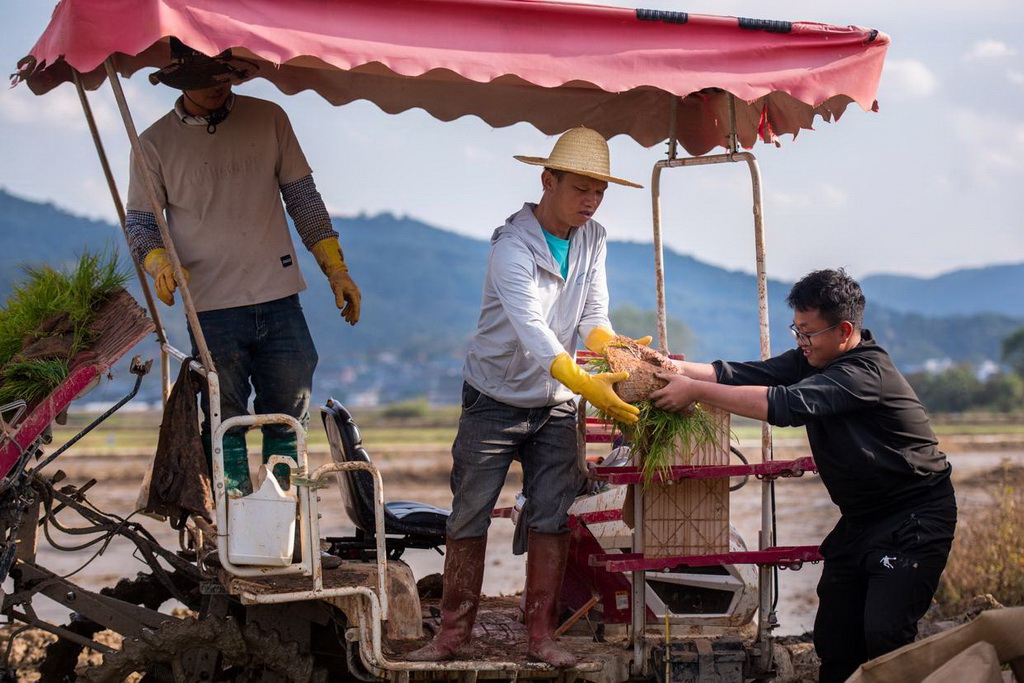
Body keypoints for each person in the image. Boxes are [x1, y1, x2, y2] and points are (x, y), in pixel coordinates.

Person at [408, 127, 648, 667]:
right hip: (493, 398)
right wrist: (590, 384)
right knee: (469, 514)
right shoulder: (511, 247)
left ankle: (540, 635)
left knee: (552, 514)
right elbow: (534, 332)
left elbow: (592, 318)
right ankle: (451, 636)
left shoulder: (594, 239)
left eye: (599, 192)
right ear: (548, 180)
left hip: (556, 402)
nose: (590, 201)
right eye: (581, 188)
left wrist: (616, 352)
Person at [648, 268, 957, 682]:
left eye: (808, 332)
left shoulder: (863, 373)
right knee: (835, 636)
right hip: (861, 521)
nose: (801, 341)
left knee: (885, 634)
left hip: (914, 519)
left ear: (844, 330)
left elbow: (787, 405)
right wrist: (671, 369)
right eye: (797, 329)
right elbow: (746, 374)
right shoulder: (813, 359)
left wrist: (696, 392)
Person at [125, 39, 361, 494]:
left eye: (222, 78)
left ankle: (284, 516)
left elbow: (304, 200)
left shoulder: (269, 118)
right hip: (211, 306)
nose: (216, 89)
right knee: (223, 418)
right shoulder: (153, 144)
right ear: (182, 82)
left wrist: (336, 269)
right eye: (204, 81)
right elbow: (141, 222)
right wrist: (158, 264)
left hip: (278, 295)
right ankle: (232, 523)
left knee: (289, 412)